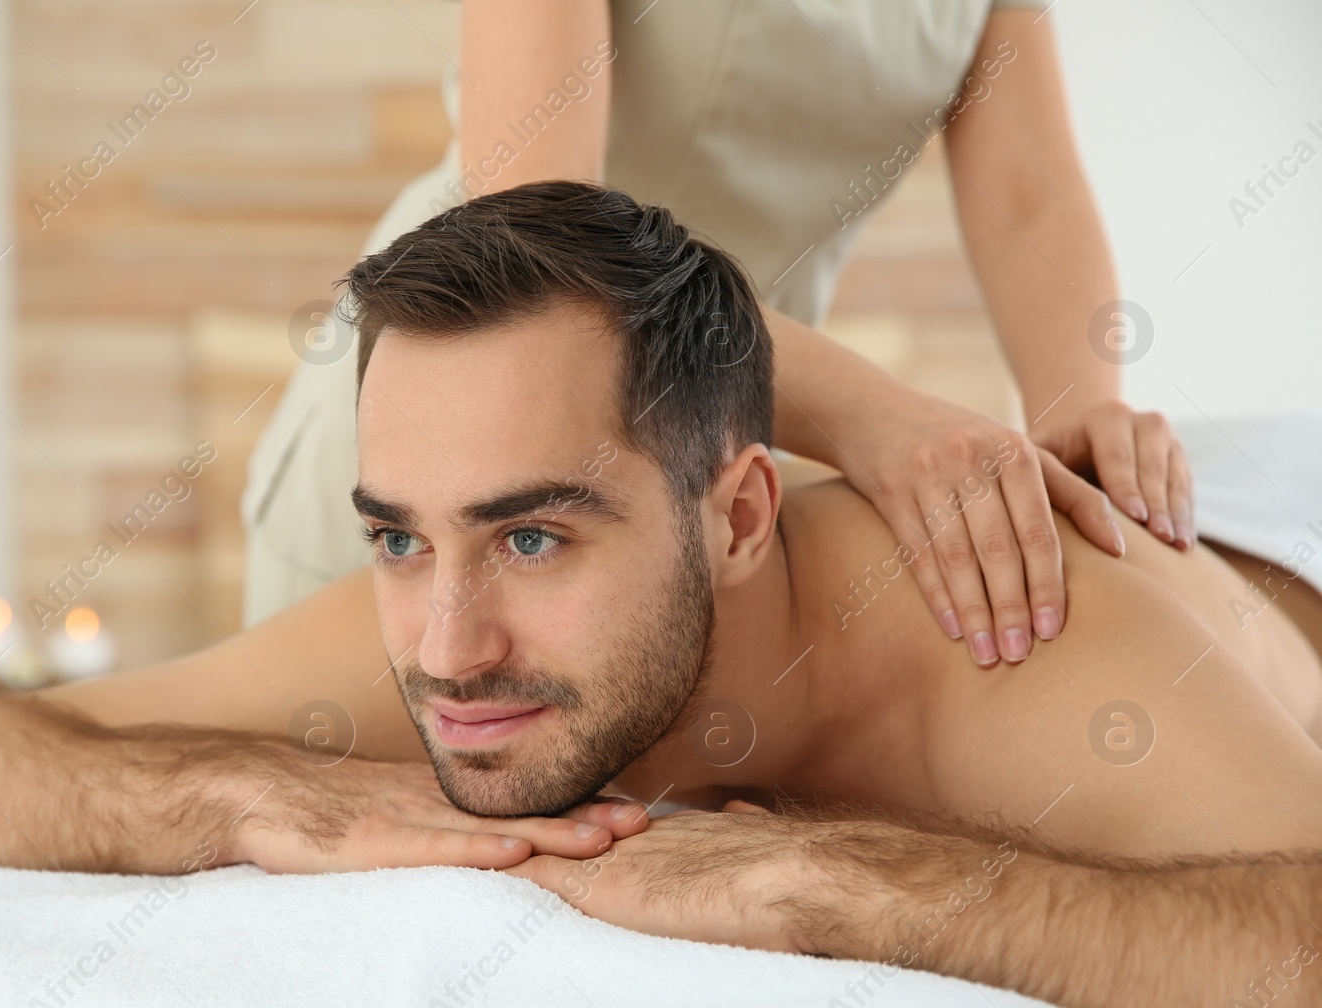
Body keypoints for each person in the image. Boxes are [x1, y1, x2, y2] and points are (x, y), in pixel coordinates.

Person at [0, 184, 1321, 1008]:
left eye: (534, 534)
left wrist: (844, 882)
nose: (448, 649)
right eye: (401, 535)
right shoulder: (451, 618)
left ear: (739, 516)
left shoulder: (1027, 639)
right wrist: (239, 793)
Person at [243, 0, 1197, 671]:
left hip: (718, 427)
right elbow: (539, 222)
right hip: (460, 417)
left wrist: (1085, 413)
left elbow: (1031, 201)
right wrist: (882, 419)